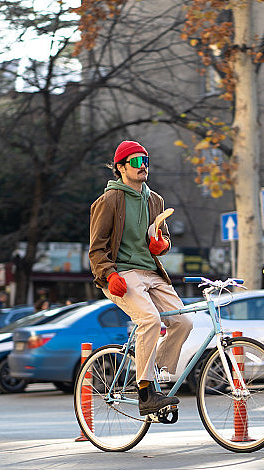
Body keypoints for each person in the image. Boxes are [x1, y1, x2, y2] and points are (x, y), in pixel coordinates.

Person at [89, 140, 193, 416]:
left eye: (145, 160)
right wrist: (109, 274)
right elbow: (96, 248)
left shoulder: (155, 200)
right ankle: (145, 392)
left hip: (152, 272)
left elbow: (164, 237)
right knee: (149, 320)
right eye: (136, 162)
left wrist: (163, 245)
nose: (143, 166)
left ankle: (156, 375)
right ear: (121, 168)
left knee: (183, 322)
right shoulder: (109, 201)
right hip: (122, 273)